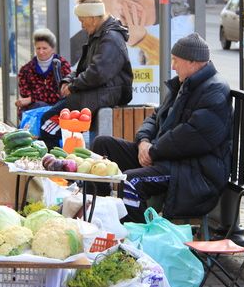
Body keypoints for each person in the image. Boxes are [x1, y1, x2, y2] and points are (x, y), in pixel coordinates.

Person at [89, 33, 233, 222]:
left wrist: (154, 151)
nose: (172, 66)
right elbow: (156, 117)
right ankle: (102, 218)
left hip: (193, 172)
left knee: (130, 181)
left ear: (193, 62)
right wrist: (143, 141)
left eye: (176, 61)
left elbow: (191, 137)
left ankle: (140, 238)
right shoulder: (185, 84)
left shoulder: (214, 90)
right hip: (166, 158)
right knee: (103, 145)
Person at [38, 0, 133, 149]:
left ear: (93, 18)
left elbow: (98, 73)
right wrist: (68, 80)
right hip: (97, 91)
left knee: (48, 121)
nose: (81, 25)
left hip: (106, 94)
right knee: (53, 119)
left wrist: (73, 86)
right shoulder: (100, 35)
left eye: (82, 20)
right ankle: (64, 160)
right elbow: (83, 68)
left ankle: (57, 163)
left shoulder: (110, 38)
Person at [15, 28, 72, 120]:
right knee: (37, 106)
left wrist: (31, 99)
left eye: (44, 48)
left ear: (52, 49)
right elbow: (25, 94)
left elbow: (62, 93)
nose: (41, 52)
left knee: (40, 106)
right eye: (38, 48)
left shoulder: (63, 66)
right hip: (34, 112)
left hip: (57, 112)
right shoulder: (25, 70)